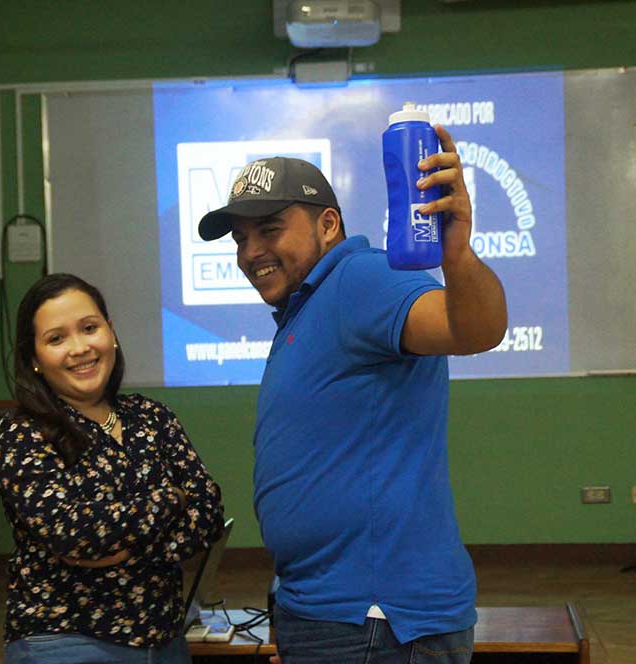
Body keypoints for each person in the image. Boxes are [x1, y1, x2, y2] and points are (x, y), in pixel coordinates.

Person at [197, 126, 507, 664]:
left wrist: (456, 253)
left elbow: (474, 330)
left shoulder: (361, 277)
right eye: (240, 239)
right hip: (328, 612)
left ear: (328, 224)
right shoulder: (307, 308)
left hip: (378, 623)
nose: (251, 252)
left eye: (270, 230)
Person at [0, 273, 225, 664]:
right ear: (34, 358)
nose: (79, 348)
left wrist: (114, 548)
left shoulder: (153, 417)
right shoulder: (21, 433)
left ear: (111, 332)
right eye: (56, 338)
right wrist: (171, 499)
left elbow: (208, 512)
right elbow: (72, 533)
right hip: (65, 643)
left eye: (89, 328)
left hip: (165, 643)